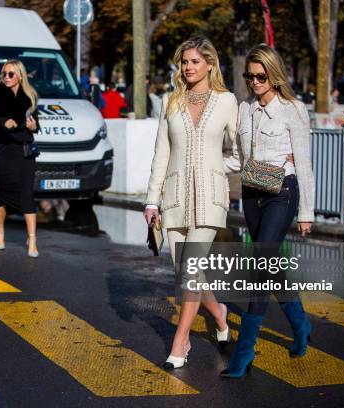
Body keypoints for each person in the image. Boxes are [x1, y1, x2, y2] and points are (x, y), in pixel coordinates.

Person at [143, 36, 241, 370]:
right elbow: (161, 153)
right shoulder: (171, 101)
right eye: (184, 62)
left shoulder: (227, 101)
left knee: (190, 272)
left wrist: (215, 168)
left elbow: (237, 152)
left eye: (195, 62)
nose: (188, 67)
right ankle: (220, 315)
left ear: (210, 64)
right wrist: (151, 200)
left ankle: (180, 342)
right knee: (188, 274)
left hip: (211, 199)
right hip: (173, 200)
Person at [220, 44, 315, 379]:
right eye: (250, 76)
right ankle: (301, 326)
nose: (255, 81)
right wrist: (207, 164)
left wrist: (307, 212)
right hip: (251, 193)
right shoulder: (244, 109)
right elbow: (237, 159)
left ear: (275, 76)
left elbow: (303, 164)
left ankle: (243, 353)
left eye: (261, 76)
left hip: (282, 193)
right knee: (271, 266)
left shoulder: (293, 109)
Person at [0, 59, 40, 258]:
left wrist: (33, 126)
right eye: (4, 74)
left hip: (25, 150)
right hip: (4, 149)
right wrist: (4, 122)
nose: (6, 78)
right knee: (4, 192)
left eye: (11, 74)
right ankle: (0, 231)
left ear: (20, 76)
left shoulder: (30, 96)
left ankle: (32, 239)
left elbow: (37, 124)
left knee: (27, 192)